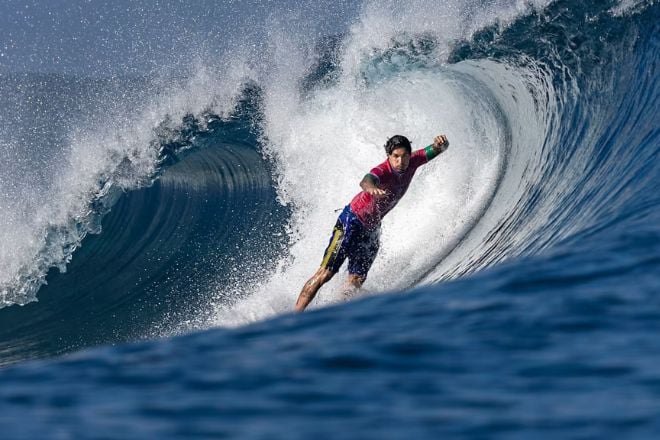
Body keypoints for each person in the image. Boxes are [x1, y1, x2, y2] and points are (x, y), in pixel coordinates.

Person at [294, 133, 450, 311]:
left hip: (372, 228)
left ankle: (335, 313)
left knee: (356, 280)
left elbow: (437, 149)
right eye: (396, 157)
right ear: (389, 157)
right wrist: (372, 189)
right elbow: (366, 180)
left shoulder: (414, 161)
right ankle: (294, 318)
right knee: (325, 274)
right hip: (351, 221)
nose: (401, 161)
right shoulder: (382, 170)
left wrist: (441, 144)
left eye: (404, 156)